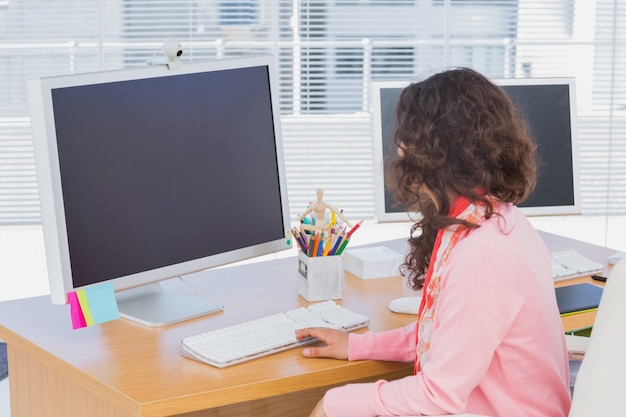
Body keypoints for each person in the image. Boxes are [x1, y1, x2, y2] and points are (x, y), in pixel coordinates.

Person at [295, 67, 571, 417]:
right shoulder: (491, 218)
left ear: (438, 153)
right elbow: (446, 339)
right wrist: (359, 345)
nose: (400, 147)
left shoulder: (482, 255)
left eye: (409, 137)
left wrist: (336, 403)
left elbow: (438, 396)